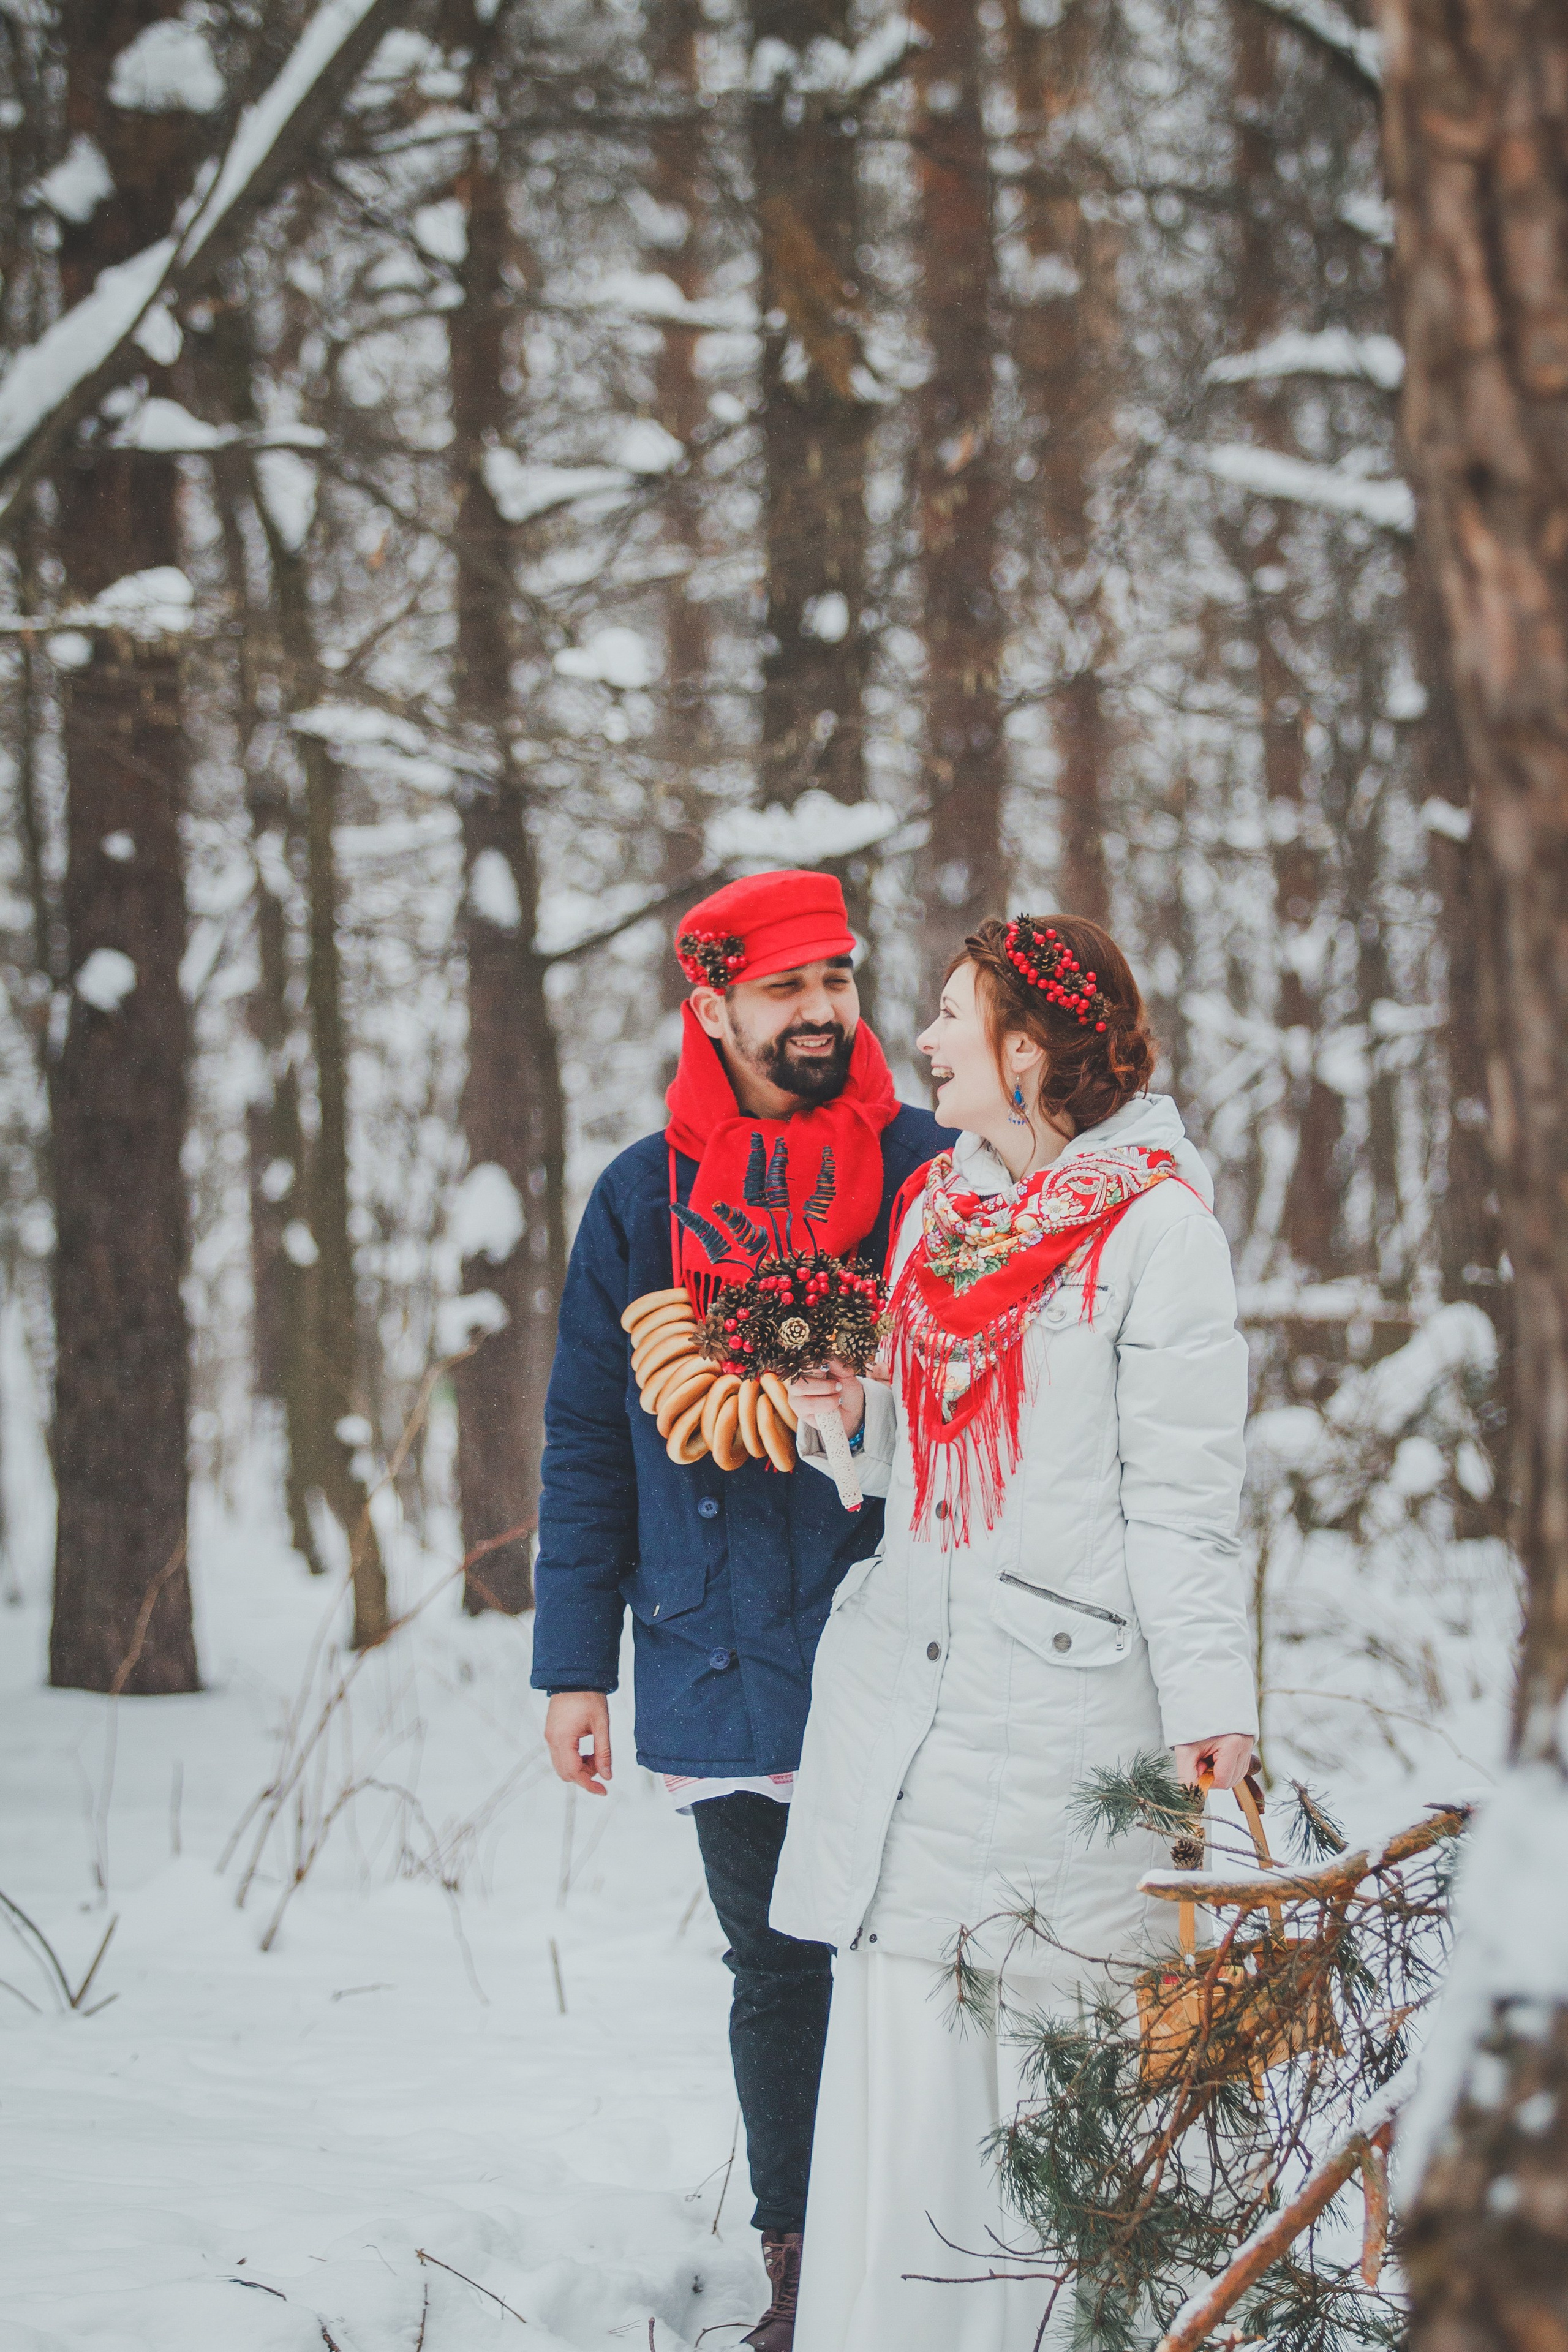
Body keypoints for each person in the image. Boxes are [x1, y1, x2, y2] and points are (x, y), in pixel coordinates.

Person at [771, 913, 1259, 2352]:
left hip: (1060, 1730)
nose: (920, 1041)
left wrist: (1210, 1708)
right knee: (908, 2049)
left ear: (1028, 1050)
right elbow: (913, 1463)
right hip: (908, 1715)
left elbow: (1183, 1505)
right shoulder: (936, 1207)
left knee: (1041, 2071)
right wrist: (843, 1418)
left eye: (948, 1016)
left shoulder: (1158, 1231)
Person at [532, 868, 952, 2352]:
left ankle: (929, 2250)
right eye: (786, 988)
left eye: (836, 979)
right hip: (714, 1633)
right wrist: (572, 1666)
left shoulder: (930, 1168)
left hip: (903, 1626)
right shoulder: (640, 1199)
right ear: (711, 1006)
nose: (822, 1011)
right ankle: (802, 2261)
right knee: (777, 1971)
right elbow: (586, 1436)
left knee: (918, 1957)